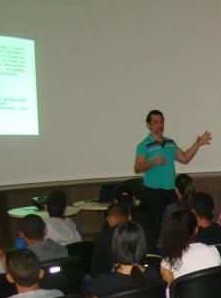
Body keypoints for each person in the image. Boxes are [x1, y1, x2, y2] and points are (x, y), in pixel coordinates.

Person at [133, 109, 212, 241]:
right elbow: (137, 168)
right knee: (155, 227)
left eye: (162, 121)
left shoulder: (170, 143)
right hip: (153, 191)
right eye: (156, 122)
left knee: (175, 226)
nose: (160, 125)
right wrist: (153, 162)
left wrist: (197, 144)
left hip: (171, 190)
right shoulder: (144, 145)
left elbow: (184, 158)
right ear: (148, 125)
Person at [90, 203, 130, 279]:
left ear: (110, 218)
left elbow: (96, 271)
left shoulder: (104, 237)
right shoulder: (138, 231)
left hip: (111, 279)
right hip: (138, 277)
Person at [159, 173, 195, 238]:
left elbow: (164, 233)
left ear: (176, 190)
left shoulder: (170, 209)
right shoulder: (195, 207)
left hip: (174, 242)